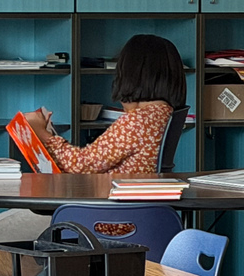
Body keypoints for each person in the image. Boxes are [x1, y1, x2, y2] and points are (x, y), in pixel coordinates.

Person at [25, 34, 187, 174]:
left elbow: (80, 165)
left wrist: (42, 135)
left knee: (14, 212)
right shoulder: (162, 114)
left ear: (131, 77)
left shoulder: (137, 122)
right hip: (132, 203)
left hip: (111, 206)